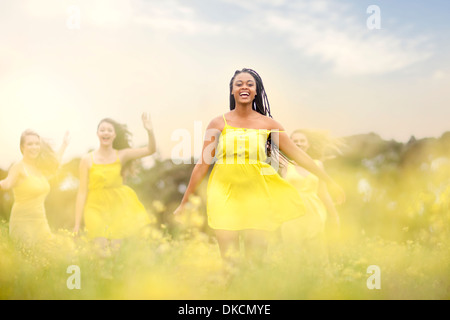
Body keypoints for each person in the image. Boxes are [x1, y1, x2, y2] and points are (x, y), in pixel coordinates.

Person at [173, 68, 345, 266]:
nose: (244, 87)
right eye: (239, 84)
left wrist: (329, 180)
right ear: (232, 91)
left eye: (249, 84)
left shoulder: (269, 124)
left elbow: (299, 155)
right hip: (223, 194)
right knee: (230, 262)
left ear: (256, 91)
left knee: (256, 261)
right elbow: (202, 165)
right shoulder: (218, 123)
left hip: (257, 194)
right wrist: (184, 202)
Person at [73, 113, 156, 257]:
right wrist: (76, 224)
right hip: (94, 207)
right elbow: (81, 192)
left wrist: (149, 130)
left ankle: (111, 278)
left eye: (109, 130)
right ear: (98, 134)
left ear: (114, 135)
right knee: (101, 251)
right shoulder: (87, 160)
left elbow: (150, 150)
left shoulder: (122, 155)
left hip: (117, 207)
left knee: (116, 253)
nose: (106, 132)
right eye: (102, 130)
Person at [280, 129, 342, 264]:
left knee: (316, 255)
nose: (299, 144)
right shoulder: (284, 164)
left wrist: (334, 215)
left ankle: (320, 283)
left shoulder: (318, 165)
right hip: (292, 214)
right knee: (293, 255)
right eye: (295, 141)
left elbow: (323, 193)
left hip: (314, 213)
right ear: (289, 143)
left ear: (308, 144)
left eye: (302, 141)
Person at [0, 129, 69, 247]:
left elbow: (55, 161)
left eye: (37, 144)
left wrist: (64, 144)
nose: (34, 147)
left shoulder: (39, 168)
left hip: (41, 222)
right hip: (22, 223)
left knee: (53, 252)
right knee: (28, 260)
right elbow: (6, 184)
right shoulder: (19, 167)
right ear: (22, 147)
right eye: (30, 144)